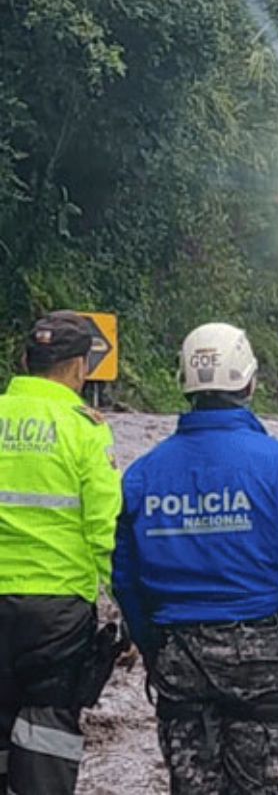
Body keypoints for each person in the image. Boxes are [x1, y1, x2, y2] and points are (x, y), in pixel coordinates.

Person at [113, 323, 278, 795]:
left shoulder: (143, 473)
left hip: (179, 659)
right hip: (262, 654)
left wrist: (153, 644)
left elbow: (126, 579)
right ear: (251, 383)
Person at [0, 311, 120, 795]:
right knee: (45, 743)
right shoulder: (84, 430)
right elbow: (106, 531)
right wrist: (132, 612)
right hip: (57, 616)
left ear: (27, 360)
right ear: (78, 368)